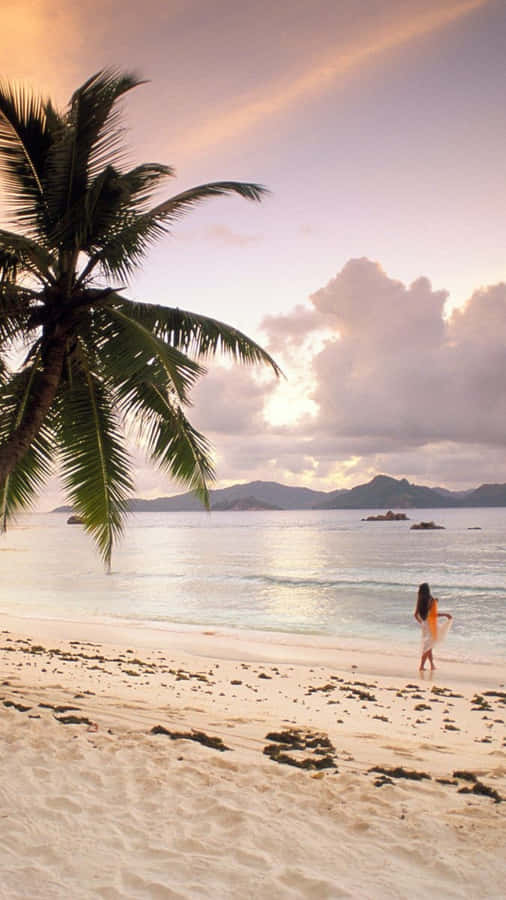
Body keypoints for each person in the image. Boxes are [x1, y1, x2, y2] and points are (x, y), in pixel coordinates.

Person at [414, 582, 452, 671]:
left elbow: (415, 615)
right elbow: (433, 615)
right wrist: (445, 614)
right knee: (428, 647)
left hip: (425, 625)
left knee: (429, 646)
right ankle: (421, 666)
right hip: (430, 625)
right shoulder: (430, 600)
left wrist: (422, 623)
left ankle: (432, 665)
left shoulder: (420, 600)